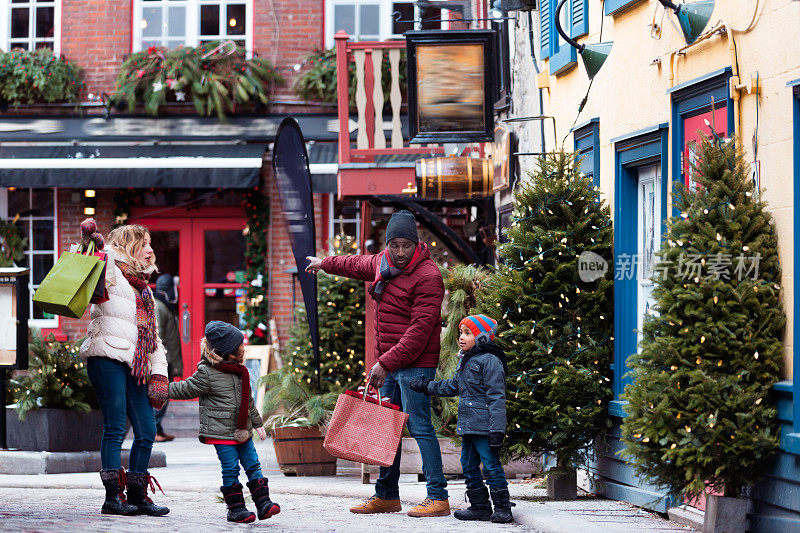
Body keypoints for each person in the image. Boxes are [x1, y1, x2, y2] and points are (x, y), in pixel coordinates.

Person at [306, 210, 449, 517]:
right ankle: (386, 495)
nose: (399, 253)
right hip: (393, 362)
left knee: (420, 426)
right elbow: (355, 263)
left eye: (405, 246)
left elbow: (420, 331)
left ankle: (438, 497)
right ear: (388, 244)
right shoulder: (381, 263)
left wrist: (384, 364)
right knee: (387, 428)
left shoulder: (428, 276)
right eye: (394, 245)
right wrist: (324, 263)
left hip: (416, 364)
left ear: (416, 244)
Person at [79, 221, 170, 517]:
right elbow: (91, 269)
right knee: (116, 426)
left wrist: (160, 373)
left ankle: (138, 495)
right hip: (106, 358)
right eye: (143, 243)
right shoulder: (112, 272)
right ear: (129, 246)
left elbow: (153, 337)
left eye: (150, 243)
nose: (150, 249)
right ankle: (112, 498)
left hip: (136, 365)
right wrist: (92, 244)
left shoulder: (145, 290)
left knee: (146, 430)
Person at [168, 321, 280, 523]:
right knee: (231, 468)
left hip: (242, 430)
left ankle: (263, 503)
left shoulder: (240, 371)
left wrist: (257, 423)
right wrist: (161, 389)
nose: (243, 348)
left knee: (253, 464)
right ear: (228, 351)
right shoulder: (207, 373)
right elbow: (185, 388)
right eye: (240, 346)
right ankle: (235, 509)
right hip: (221, 432)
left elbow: (248, 400)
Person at [410, 314, 513, 523]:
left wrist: (497, 430)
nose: (461, 338)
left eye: (468, 333)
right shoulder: (466, 360)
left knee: (491, 465)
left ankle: (503, 508)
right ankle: (480, 507)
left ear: (483, 337)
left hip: (485, 427)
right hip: (468, 426)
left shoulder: (491, 361)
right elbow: (454, 386)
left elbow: (497, 397)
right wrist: (426, 386)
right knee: (467, 465)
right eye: (461, 333)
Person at [153, 273, 183, 442]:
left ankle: (158, 428)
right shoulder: (159, 307)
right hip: (162, 360)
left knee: (163, 394)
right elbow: (157, 336)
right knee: (160, 395)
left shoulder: (164, 307)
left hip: (168, 359)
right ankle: (154, 429)